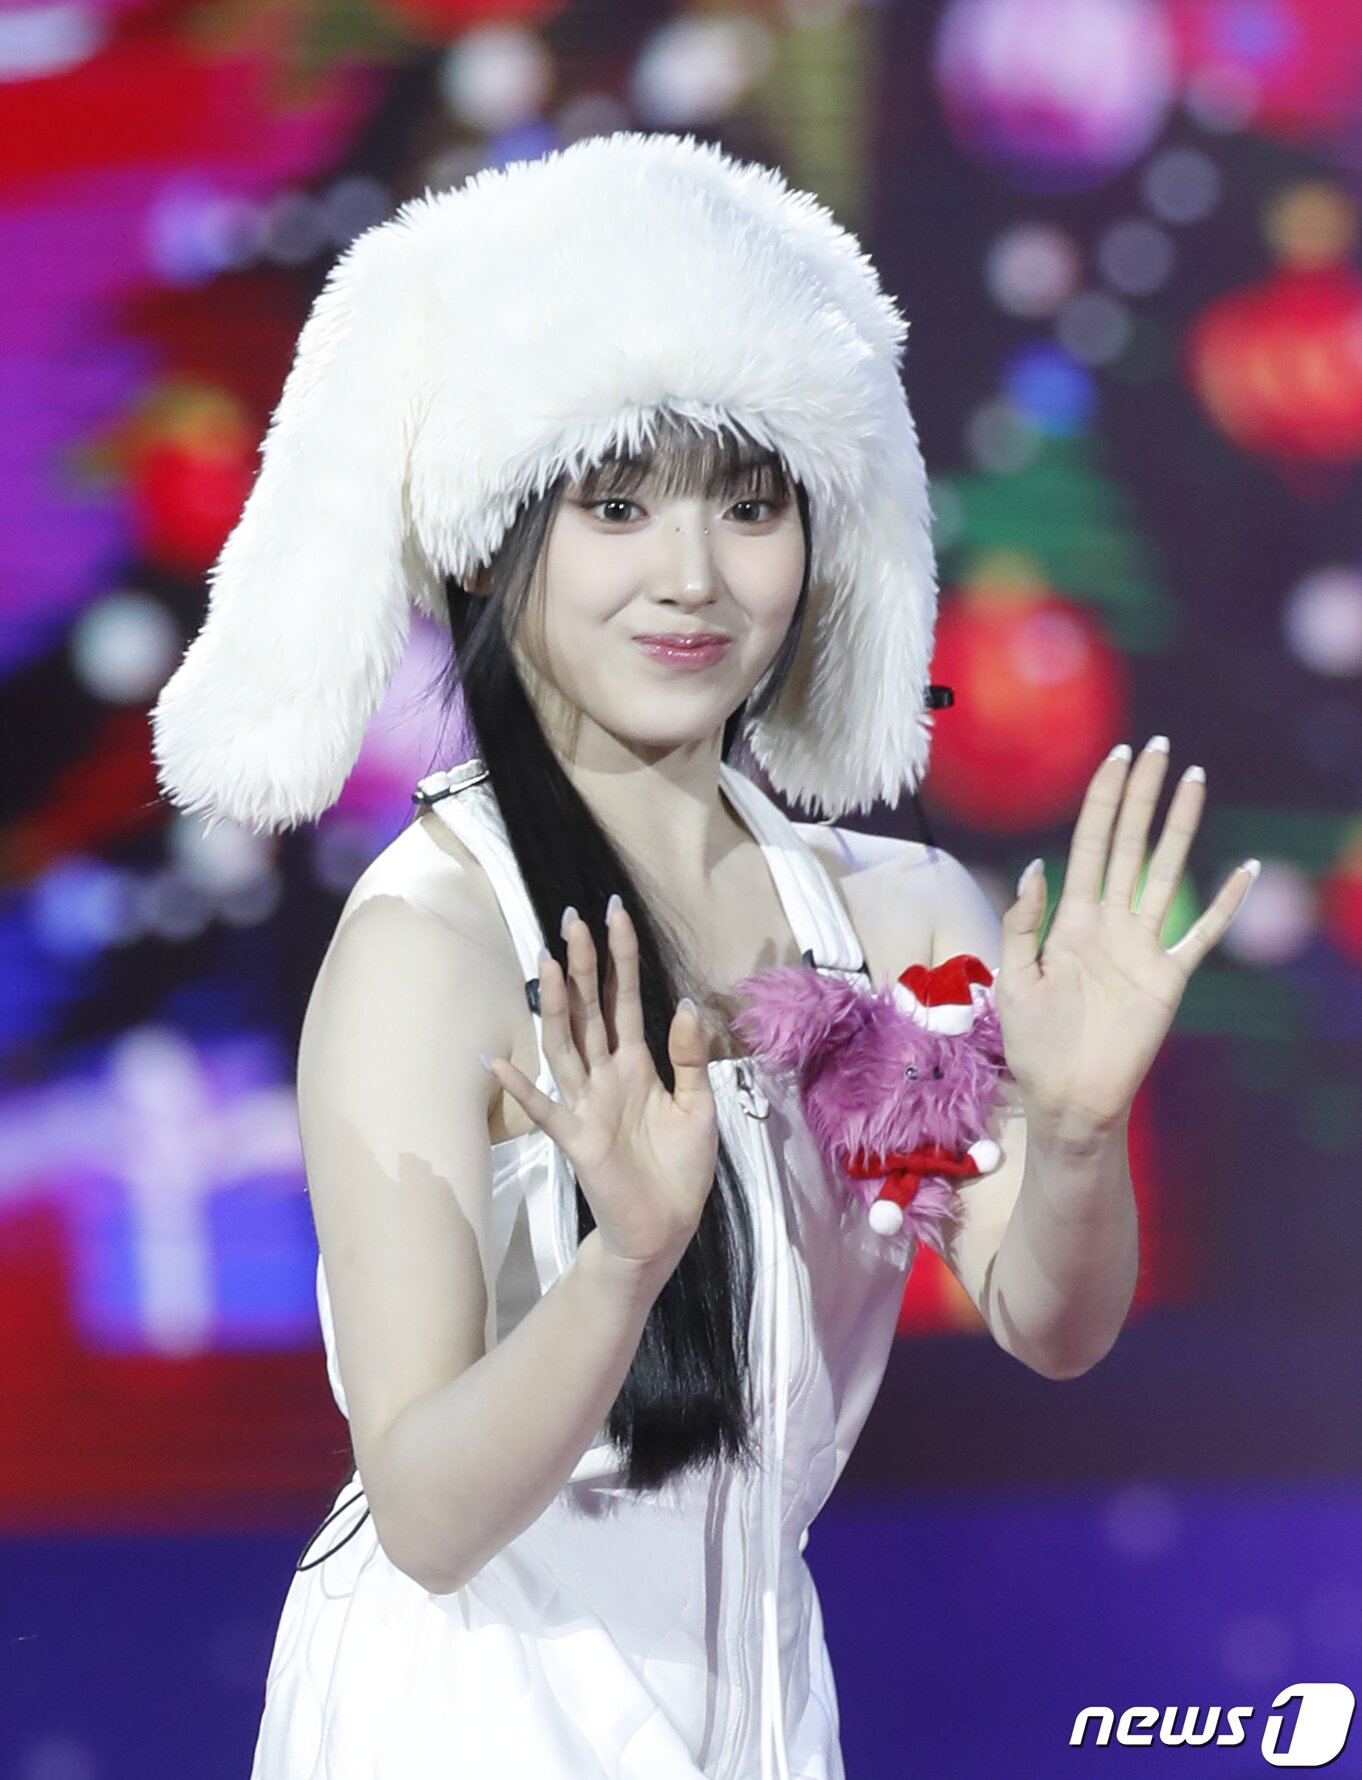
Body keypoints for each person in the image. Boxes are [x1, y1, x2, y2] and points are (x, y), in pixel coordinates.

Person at [149, 130, 1255, 1780]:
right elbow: (428, 1511)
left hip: (759, 1714)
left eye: (750, 505)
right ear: (487, 539)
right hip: (468, 1724)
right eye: (615, 506)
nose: (692, 578)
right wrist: (623, 1263)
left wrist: (1078, 1135)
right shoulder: (430, 944)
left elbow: (1048, 1320)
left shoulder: (888, 920)